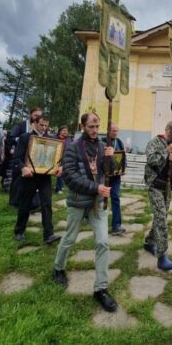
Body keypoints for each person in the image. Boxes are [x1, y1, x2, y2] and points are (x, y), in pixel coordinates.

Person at [51, 112, 118, 313]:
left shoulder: (102, 146)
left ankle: (101, 289)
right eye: (91, 127)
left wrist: (111, 158)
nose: (95, 130)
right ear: (82, 127)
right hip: (78, 201)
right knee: (70, 238)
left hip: (98, 203)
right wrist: (95, 187)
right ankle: (58, 268)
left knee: (103, 242)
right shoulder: (72, 147)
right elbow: (70, 176)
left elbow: (112, 172)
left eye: (97, 126)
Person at [13, 115, 61, 245]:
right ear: (34, 124)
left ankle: (48, 234)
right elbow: (17, 158)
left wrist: (58, 167)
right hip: (30, 176)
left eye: (46, 125)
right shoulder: (25, 137)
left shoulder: (50, 139)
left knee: (46, 204)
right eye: (41, 125)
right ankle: (19, 231)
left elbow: (54, 158)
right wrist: (23, 168)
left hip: (45, 177)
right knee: (25, 203)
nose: (44, 128)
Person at [143, 121, 172, 271]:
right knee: (161, 219)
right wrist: (166, 152)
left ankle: (149, 242)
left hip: (167, 188)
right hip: (155, 185)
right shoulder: (155, 142)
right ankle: (162, 257)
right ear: (167, 130)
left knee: (161, 216)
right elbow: (151, 160)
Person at [102, 123, 127, 236]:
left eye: (117, 131)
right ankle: (89, 216)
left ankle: (116, 225)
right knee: (98, 198)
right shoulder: (102, 141)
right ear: (108, 130)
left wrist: (123, 168)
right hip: (104, 176)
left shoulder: (119, 142)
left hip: (116, 176)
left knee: (115, 198)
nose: (115, 133)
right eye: (113, 131)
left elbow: (123, 156)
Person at [53, 125, 70, 194]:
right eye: (64, 130)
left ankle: (59, 188)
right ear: (60, 131)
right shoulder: (54, 137)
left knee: (62, 173)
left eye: (67, 131)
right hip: (54, 158)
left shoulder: (68, 140)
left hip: (64, 159)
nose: (66, 132)